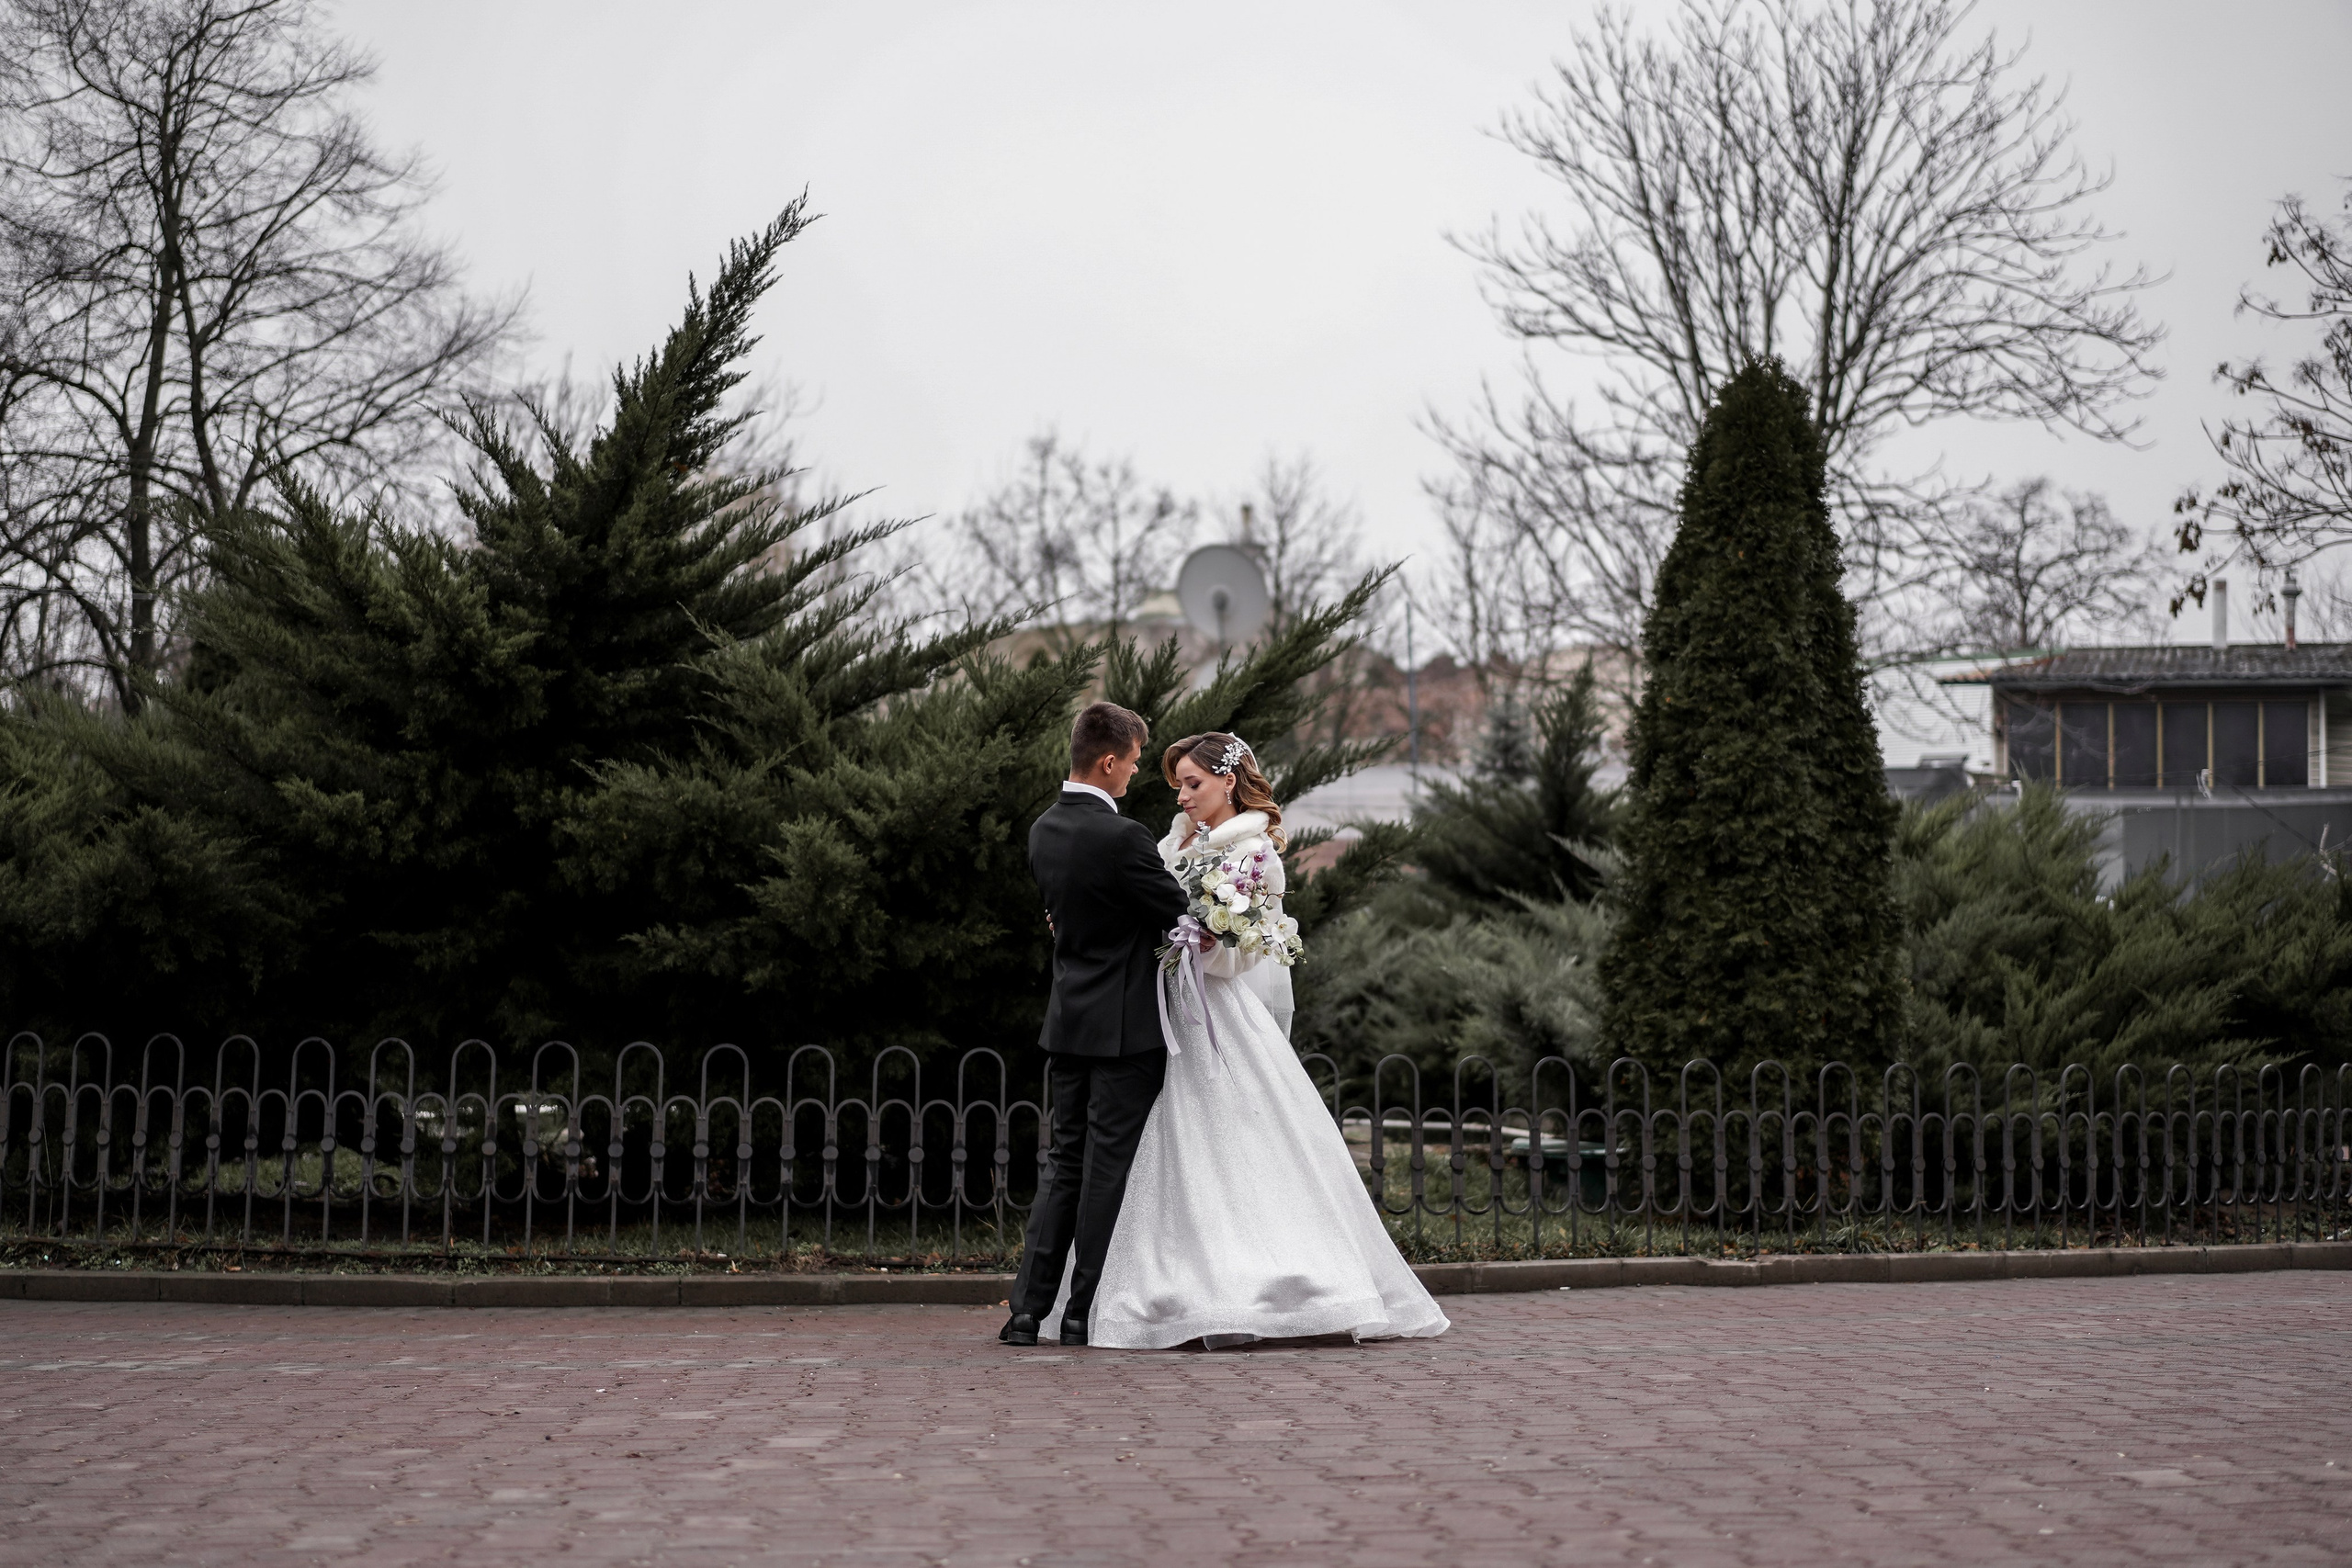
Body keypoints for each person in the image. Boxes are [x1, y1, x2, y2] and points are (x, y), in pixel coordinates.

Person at [1047, 730, 1450, 1350]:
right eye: (1177, 784)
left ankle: (1264, 1282)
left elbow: (1251, 949)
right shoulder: (1169, 846)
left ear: (1227, 781)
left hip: (1218, 1012)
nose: (1182, 796)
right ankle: (1162, 1282)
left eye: (1192, 783)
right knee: (1163, 1148)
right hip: (1162, 1010)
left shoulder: (1256, 851)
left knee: (1240, 1138)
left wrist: (1207, 945)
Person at [1001, 701, 1189, 1348]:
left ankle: (1027, 1310)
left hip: (1068, 1024)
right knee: (1106, 1169)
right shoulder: (1124, 837)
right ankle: (1083, 1310)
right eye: (1135, 761)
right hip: (1125, 1030)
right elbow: (1177, 911)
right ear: (1108, 761)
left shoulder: (1042, 830)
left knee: (1062, 1165)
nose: (1135, 773)